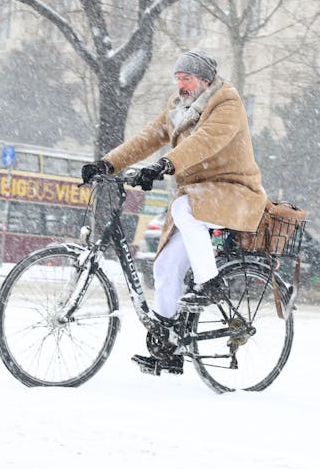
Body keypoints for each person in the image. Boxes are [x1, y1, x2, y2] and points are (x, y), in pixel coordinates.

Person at [81, 50, 267, 374]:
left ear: (204, 80)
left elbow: (205, 143)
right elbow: (147, 138)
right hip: (200, 199)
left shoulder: (226, 102)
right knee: (166, 266)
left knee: (183, 206)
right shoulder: (177, 108)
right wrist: (107, 163)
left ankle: (210, 283)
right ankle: (167, 347)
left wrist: (165, 165)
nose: (181, 85)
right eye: (178, 79)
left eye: (187, 79)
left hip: (233, 192)